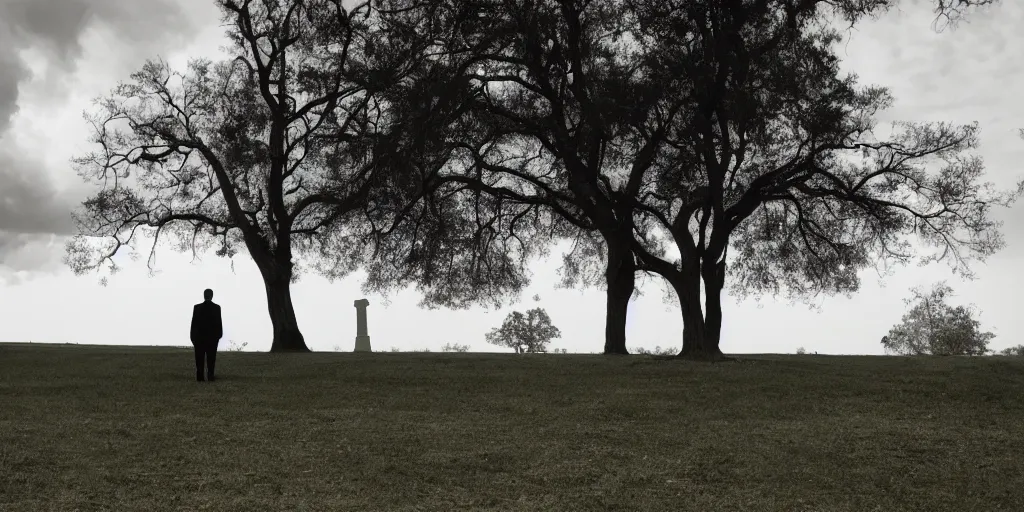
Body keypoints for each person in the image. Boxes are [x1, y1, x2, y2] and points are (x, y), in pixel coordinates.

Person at [190, 288, 223, 382]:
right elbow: (219, 323)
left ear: (204, 296)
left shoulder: (197, 307)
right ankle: (210, 375)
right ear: (212, 296)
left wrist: (192, 337)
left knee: (199, 358)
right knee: (211, 358)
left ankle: (200, 376)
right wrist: (219, 336)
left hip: (199, 338)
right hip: (212, 338)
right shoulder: (217, 308)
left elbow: (194, 324)